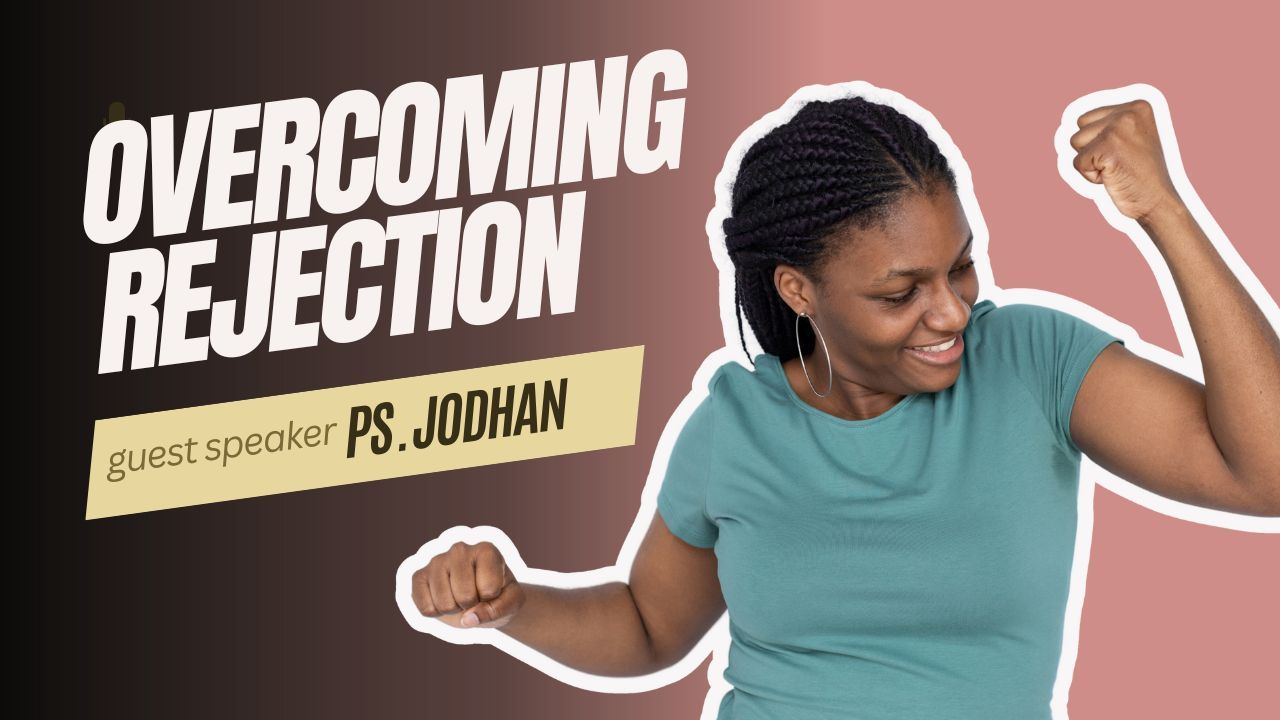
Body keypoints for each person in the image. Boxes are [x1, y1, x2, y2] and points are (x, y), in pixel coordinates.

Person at [406, 88, 1280, 719]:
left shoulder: (1030, 362)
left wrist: (1161, 208)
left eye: (961, 267)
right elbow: (647, 628)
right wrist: (514, 607)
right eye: (902, 292)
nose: (952, 311)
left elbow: (1266, 473)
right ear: (799, 290)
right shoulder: (733, 425)